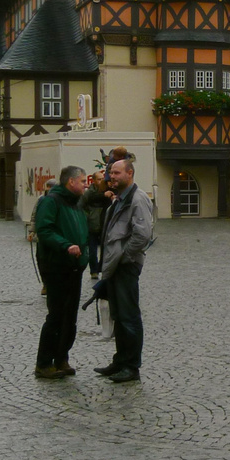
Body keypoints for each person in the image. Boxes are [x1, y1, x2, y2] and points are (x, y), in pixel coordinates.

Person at [93, 155, 153, 383]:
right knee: (118, 315)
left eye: (117, 172)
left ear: (130, 173)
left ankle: (131, 366)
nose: (111, 177)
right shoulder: (120, 198)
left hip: (126, 266)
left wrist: (126, 257)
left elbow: (143, 235)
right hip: (116, 266)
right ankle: (120, 360)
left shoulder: (137, 199)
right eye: (111, 173)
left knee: (129, 317)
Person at [34, 166, 90, 379]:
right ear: (71, 182)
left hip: (74, 266)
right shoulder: (51, 201)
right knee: (56, 316)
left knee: (70, 316)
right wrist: (65, 245)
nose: (86, 184)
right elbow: (45, 230)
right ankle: (44, 363)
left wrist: (83, 255)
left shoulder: (76, 203)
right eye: (83, 181)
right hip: (56, 265)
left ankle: (62, 358)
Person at [78, 172, 109, 280]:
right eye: (99, 179)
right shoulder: (89, 193)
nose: (101, 181)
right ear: (94, 180)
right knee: (92, 250)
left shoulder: (107, 190)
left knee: (105, 249)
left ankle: (103, 268)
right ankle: (94, 271)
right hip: (92, 225)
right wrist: (88, 216)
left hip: (104, 225)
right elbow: (80, 206)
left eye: (102, 179)